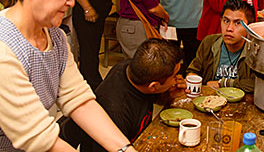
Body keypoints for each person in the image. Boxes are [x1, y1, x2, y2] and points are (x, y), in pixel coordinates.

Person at [0, 0, 135, 151]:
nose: (71, 2)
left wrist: (124, 149)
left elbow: (78, 99)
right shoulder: (4, 49)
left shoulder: (56, 37)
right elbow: (40, 139)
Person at [60, 39, 188, 151]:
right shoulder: (116, 111)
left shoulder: (130, 68)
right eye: (174, 76)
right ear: (153, 86)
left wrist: (169, 95)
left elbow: (149, 96)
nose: (177, 78)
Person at [187, 0, 256, 93]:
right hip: (210, 100)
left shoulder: (254, 50)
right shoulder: (209, 42)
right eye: (226, 21)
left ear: (249, 27)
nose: (229, 28)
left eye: (237, 23)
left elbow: (256, 83)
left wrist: (223, 83)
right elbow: (194, 70)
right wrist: (191, 79)